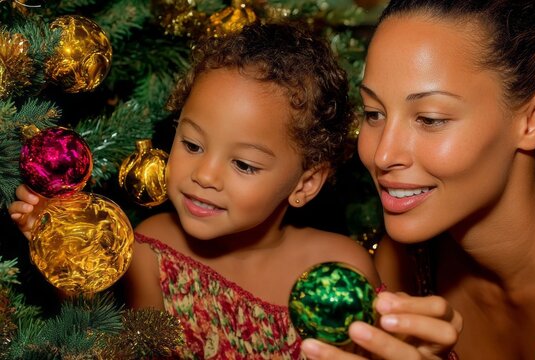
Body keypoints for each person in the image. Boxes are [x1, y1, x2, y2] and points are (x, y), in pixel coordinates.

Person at [9, 22, 380, 359]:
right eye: (192, 145)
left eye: (243, 164)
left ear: (305, 183)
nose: (204, 175)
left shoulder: (341, 271)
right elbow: (112, 346)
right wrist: (65, 251)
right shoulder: (150, 251)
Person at [300, 0, 535, 359]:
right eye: (374, 113)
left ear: (533, 119)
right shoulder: (409, 259)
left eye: (430, 119)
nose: (383, 155)